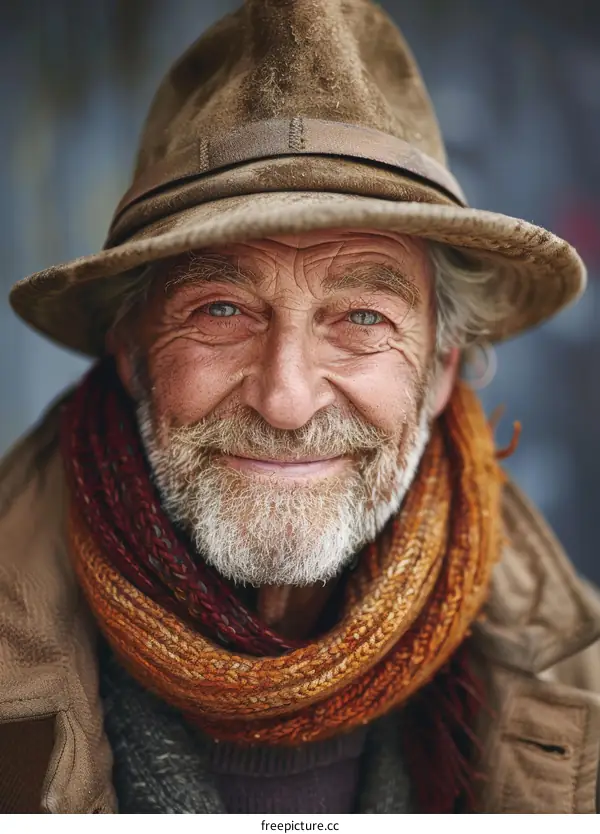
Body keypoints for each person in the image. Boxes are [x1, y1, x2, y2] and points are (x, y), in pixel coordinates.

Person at [1, 0, 599, 814]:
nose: (286, 401)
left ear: (440, 372)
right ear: (133, 353)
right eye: (220, 310)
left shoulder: (580, 682)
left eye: (363, 318)